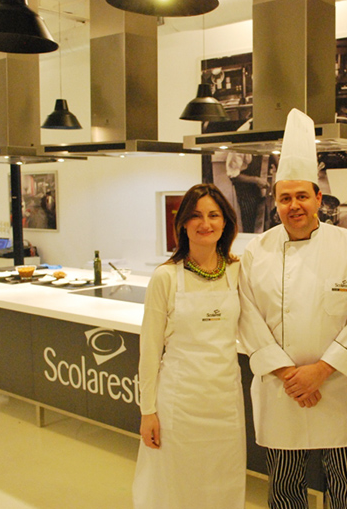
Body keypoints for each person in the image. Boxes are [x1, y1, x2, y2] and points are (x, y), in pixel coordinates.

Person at [239, 109, 347, 508]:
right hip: (281, 390)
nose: (294, 205)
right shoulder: (254, 252)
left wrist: (320, 371)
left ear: (318, 197)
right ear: (274, 201)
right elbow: (247, 318)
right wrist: (289, 374)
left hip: (339, 386)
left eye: (301, 196)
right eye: (285, 198)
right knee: (284, 486)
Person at [132, 184, 246, 509]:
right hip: (179, 402)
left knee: (222, 480)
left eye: (213, 215)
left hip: (225, 401)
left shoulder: (237, 271)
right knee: (175, 483)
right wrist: (148, 411)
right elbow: (150, 350)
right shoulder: (165, 277)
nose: (205, 223)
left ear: (225, 222)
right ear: (182, 223)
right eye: (195, 216)